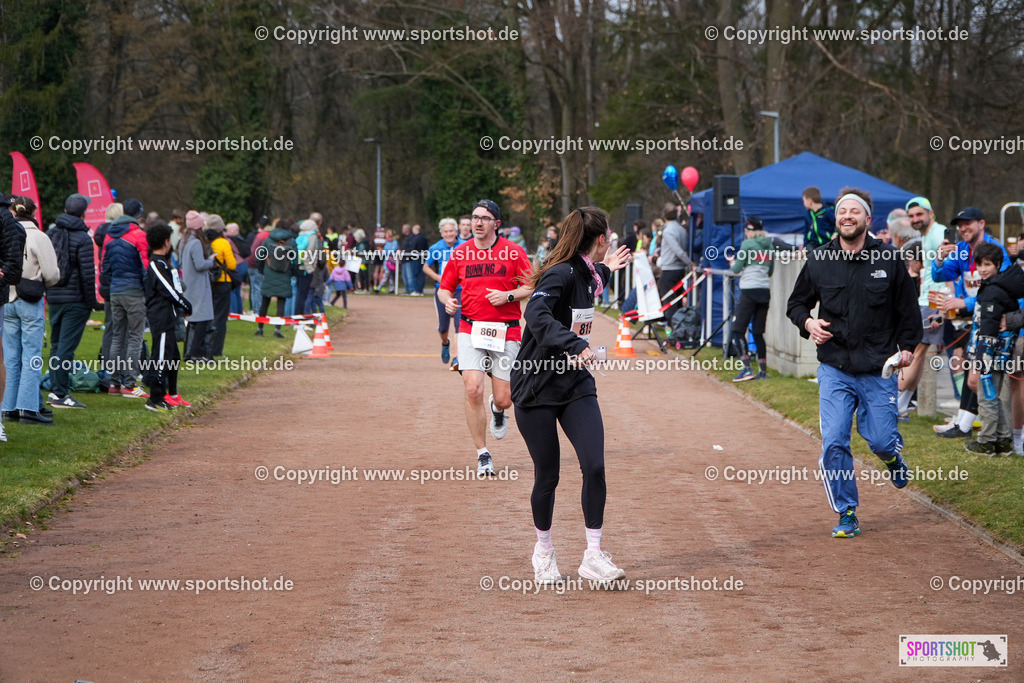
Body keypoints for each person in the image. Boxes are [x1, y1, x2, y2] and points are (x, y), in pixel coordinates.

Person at [786, 187, 919, 538]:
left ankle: (892, 457)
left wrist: (907, 350)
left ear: (867, 219)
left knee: (880, 440)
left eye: (854, 211)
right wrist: (809, 323)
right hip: (835, 368)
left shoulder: (889, 260)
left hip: (879, 368)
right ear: (836, 217)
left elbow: (909, 314)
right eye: (842, 210)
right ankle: (847, 511)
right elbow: (796, 305)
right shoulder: (819, 259)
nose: (847, 216)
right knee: (833, 441)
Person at [511, 207, 632, 584]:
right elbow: (536, 313)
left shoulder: (586, 272)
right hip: (537, 386)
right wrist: (574, 343)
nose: (610, 240)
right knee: (548, 475)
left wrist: (607, 266)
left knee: (594, 465)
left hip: (575, 384)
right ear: (598, 240)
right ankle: (543, 551)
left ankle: (593, 556)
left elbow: (591, 284)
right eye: (608, 236)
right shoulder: (560, 273)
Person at [438, 200, 532, 475]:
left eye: (485, 218)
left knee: (505, 398)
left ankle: (498, 409)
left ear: (496, 224)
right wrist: (448, 302)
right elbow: (445, 288)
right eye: (474, 217)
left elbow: (531, 284)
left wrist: (508, 296)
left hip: (507, 329)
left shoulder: (514, 253)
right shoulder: (460, 252)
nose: (478, 222)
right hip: (470, 327)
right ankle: (483, 454)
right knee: (472, 388)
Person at [931, 207, 1010, 436]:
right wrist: (939, 257)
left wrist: (963, 303)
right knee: (969, 369)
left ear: (981, 223)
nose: (963, 228)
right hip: (974, 319)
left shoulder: (996, 250)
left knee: (978, 376)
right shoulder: (962, 250)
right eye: (960, 225)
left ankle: (999, 433)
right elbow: (940, 276)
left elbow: (1001, 289)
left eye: (968, 223)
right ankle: (965, 424)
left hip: (997, 319)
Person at [4, 197, 60, 424]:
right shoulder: (39, 236)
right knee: (31, 356)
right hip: (30, 298)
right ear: (33, 211)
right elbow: (52, 274)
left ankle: (8, 407)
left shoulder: (5, 234)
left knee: (10, 357)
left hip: (7, 297)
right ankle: (27, 408)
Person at [962, 242, 1021, 455]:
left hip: (990, 354)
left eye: (987, 264)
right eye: (979, 264)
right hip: (998, 354)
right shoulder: (996, 287)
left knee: (986, 398)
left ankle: (986, 442)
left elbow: (988, 329)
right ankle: (1003, 440)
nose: (983, 269)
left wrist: (981, 358)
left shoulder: (993, 291)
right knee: (992, 397)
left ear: (997, 264)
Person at [898, 196, 952, 421]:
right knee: (920, 354)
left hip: (934, 301)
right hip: (929, 299)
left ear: (931, 213)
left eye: (920, 214)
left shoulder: (940, 233)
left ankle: (893, 403)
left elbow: (950, 267)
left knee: (915, 351)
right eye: (911, 216)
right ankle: (900, 406)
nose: (915, 219)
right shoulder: (927, 235)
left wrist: (945, 302)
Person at [45, 193, 101, 409]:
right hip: (75, 300)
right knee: (66, 348)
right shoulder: (84, 238)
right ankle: (60, 393)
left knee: (57, 345)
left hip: (55, 297)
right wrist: (92, 303)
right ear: (83, 213)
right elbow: (88, 276)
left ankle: (55, 390)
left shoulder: (51, 233)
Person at [100, 199, 150, 398]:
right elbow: (145, 267)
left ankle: (114, 382)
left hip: (115, 291)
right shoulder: (139, 235)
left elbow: (105, 268)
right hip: (134, 292)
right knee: (135, 337)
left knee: (117, 337)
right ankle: (129, 384)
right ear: (138, 215)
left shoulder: (109, 236)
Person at [144, 222, 193, 412]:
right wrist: (184, 304)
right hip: (160, 318)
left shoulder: (164, 263)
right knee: (162, 357)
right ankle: (155, 398)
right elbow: (168, 290)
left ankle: (170, 393)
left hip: (169, 316)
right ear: (166, 242)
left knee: (173, 356)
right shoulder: (156, 264)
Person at [727, 216, 774, 382]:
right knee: (758, 333)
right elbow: (770, 272)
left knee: (737, 330)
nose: (745, 233)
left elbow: (736, 269)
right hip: (764, 291)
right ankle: (763, 371)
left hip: (749, 291)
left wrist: (732, 261)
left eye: (747, 230)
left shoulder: (747, 245)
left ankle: (746, 368)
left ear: (751, 231)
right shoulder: (770, 246)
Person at [423, 218, 465, 364]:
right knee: (443, 327)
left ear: (456, 231)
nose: (449, 234)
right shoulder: (435, 248)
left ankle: (457, 357)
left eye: (451, 231)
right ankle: (445, 344)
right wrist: (439, 277)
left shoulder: (465, 246)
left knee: (460, 324)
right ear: (441, 233)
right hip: (443, 290)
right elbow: (426, 267)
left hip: (460, 290)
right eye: (446, 231)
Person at [180, 211, 217, 360]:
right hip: (198, 286)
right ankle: (196, 353)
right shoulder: (195, 243)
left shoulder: (185, 240)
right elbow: (200, 264)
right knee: (202, 321)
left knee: (193, 322)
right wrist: (212, 261)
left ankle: (189, 353)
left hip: (191, 284)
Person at [256, 224, 298, 337]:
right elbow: (296, 260)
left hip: (269, 272)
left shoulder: (268, 239)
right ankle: (277, 331)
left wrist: (261, 270)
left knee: (265, 302)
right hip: (285, 274)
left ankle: (260, 329)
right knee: (281, 303)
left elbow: (260, 256)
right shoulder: (291, 241)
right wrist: (293, 273)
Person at [205, 215, 236, 357]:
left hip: (207, 282)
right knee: (220, 318)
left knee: (208, 316)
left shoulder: (204, 241)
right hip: (222, 281)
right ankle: (216, 350)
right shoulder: (223, 243)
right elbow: (232, 265)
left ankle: (205, 346)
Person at [657, 203, 692, 325]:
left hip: (670, 269)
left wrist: (689, 262)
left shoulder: (668, 231)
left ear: (664, 215)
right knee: (677, 299)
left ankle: (673, 327)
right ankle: (678, 326)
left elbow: (677, 250)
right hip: (680, 269)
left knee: (669, 300)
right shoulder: (681, 230)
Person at [246, 216, 271, 311]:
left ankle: (254, 309)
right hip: (259, 264)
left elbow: (252, 250)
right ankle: (257, 309)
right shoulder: (267, 236)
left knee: (254, 287)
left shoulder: (257, 235)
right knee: (258, 287)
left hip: (252, 263)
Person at [225, 222, 250, 314]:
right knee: (237, 290)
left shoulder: (229, 240)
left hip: (236, 265)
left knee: (232, 290)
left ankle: (233, 312)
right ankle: (239, 311)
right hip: (243, 264)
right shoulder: (240, 239)